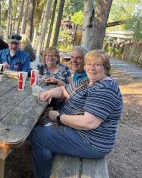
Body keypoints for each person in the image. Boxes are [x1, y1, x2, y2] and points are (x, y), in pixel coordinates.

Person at [31, 50, 123, 178]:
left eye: (97, 64)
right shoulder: (88, 82)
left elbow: (89, 123)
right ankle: (48, 163)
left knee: (38, 135)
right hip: (79, 132)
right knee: (40, 127)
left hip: (91, 141)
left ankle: (43, 175)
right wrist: (50, 93)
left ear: (106, 68)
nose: (92, 68)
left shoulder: (105, 88)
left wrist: (57, 117)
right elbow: (64, 90)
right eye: (89, 64)